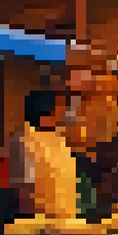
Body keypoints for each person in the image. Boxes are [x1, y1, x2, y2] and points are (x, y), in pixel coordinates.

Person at [9, 90, 79, 221]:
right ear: (46, 108)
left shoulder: (59, 139)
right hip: (42, 223)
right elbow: (24, 191)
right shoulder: (25, 140)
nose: (64, 111)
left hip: (67, 219)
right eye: (60, 106)